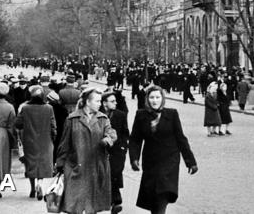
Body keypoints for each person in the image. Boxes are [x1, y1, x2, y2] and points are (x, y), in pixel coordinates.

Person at [129, 85, 198, 214]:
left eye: (157, 97)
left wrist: (191, 162)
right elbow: (135, 139)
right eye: (151, 97)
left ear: (162, 99)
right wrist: (134, 159)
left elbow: (181, 139)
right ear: (147, 99)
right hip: (151, 162)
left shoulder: (172, 114)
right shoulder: (141, 115)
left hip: (169, 162)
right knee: (154, 198)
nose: (155, 101)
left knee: (162, 195)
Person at [55, 87, 117, 214]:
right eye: (97, 101)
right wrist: (60, 164)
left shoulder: (103, 119)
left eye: (100, 101)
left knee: (92, 206)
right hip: (75, 165)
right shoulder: (72, 119)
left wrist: (108, 140)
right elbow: (64, 143)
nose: (100, 104)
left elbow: (111, 133)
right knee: (74, 206)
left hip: (96, 166)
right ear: (88, 102)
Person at [15, 84, 56, 199]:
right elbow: (53, 126)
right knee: (42, 164)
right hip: (45, 140)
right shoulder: (49, 108)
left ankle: (33, 188)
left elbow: (18, 123)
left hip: (29, 139)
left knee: (31, 164)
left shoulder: (25, 108)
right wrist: (53, 137)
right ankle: (40, 184)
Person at [102, 91, 130, 214]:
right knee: (106, 174)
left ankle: (115, 200)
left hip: (118, 150)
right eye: (112, 101)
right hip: (103, 149)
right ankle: (114, 200)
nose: (115, 103)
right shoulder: (99, 115)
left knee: (115, 172)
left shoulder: (120, 115)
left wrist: (124, 147)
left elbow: (125, 133)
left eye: (115, 100)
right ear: (104, 103)